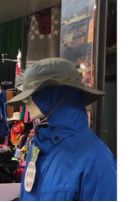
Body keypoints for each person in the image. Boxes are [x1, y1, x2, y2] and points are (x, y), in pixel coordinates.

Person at [15, 57, 116, 201]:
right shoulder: (36, 149)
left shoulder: (97, 159)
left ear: (58, 95)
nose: (25, 101)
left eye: (34, 94)